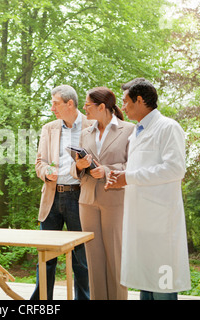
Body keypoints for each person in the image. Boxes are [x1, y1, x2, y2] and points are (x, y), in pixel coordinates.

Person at [105, 78, 191, 300]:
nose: (121, 107)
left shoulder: (168, 127)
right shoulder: (137, 132)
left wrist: (129, 177)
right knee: (146, 283)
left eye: (125, 101)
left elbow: (175, 169)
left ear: (140, 100)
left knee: (162, 285)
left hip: (161, 222)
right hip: (140, 221)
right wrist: (120, 177)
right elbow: (139, 169)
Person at [71, 87, 134, 300]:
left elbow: (133, 165)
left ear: (102, 107)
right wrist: (79, 166)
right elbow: (74, 170)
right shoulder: (84, 133)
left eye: (88, 105)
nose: (84, 109)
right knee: (93, 259)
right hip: (87, 200)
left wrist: (105, 171)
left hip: (115, 198)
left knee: (115, 257)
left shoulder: (129, 130)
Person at [32, 85, 91, 300]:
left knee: (82, 259)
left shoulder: (91, 125)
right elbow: (39, 163)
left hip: (79, 197)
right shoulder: (49, 128)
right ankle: (41, 303)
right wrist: (47, 172)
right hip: (51, 196)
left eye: (55, 103)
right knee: (46, 257)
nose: (52, 107)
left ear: (70, 103)